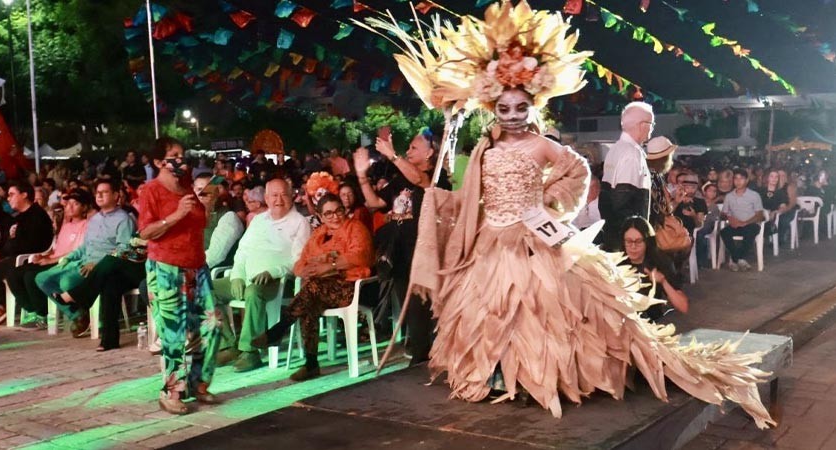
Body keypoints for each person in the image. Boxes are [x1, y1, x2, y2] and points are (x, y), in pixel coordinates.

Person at [366, 0, 773, 428]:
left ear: (532, 106)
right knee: (489, 309)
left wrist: (548, 206)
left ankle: (536, 376)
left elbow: (577, 172)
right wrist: (448, 198)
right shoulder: (484, 147)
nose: (512, 115)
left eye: (520, 108)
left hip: (532, 238)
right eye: (503, 108)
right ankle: (494, 371)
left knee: (540, 308)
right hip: (489, 241)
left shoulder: (541, 145)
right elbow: (471, 195)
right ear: (492, 107)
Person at [352, 128, 451, 365]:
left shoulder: (439, 177)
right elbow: (375, 202)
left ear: (430, 153)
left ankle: (422, 359)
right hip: (399, 255)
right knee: (410, 312)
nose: (408, 151)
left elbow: (423, 181)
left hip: (424, 254)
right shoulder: (400, 178)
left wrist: (393, 156)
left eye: (414, 148)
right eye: (407, 148)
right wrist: (362, 176)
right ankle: (420, 355)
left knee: (421, 309)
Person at [252, 193, 374, 381]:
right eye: (329, 214)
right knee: (308, 302)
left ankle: (280, 329)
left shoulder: (355, 228)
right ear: (320, 216)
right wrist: (304, 271)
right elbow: (300, 262)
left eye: (339, 211)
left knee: (311, 291)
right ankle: (311, 363)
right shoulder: (318, 235)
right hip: (320, 290)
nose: (335, 217)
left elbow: (360, 256)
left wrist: (330, 265)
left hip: (350, 287)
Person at [138, 137, 220, 415]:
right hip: (166, 268)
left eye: (182, 154)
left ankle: (199, 383)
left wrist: (206, 205)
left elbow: (199, 224)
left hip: (197, 267)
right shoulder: (151, 191)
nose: (180, 159)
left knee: (212, 325)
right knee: (173, 333)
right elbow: (146, 232)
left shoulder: (186, 188)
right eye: (174, 155)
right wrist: (175, 215)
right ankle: (171, 390)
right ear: (160, 162)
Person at [212, 178, 310, 372]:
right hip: (247, 278)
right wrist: (237, 275)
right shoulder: (258, 220)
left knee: (253, 291)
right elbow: (242, 251)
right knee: (205, 289)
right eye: (274, 195)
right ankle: (227, 344)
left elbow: (300, 261)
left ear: (292, 196)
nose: (279, 200)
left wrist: (273, 271)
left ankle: (250, 351)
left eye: (283, 194)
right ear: (266, 197)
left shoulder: (300, 223)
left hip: (279, 282)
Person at [41, 179, 135, 337]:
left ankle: (87, 317)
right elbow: (85, 246)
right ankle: (78, 315)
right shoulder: (95, 219)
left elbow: (124, 250)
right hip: (82, 262)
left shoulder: (123, 219)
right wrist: (68, 258)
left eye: (104, 192)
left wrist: (97, 264)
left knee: (66, 282)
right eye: (97, 192)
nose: (99, 195)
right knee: (42, 278)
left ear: (116, 195)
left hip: (104, 267)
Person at [8, 189, 91, 329]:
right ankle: (32, 311)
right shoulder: (66, 225)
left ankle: (43, 315)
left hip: (66, 263)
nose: (69, 207)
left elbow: (75, 252)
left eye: (75, 204)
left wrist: (51, 261)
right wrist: (44, 256)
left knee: (30, 276)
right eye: (68, 203)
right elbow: (57, 248)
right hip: (53, 259)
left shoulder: (86, 225)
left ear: (84, 207)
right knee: (14, 274)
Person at [0, 181, 54, 323]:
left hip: (31, 258)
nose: (8, 198)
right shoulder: (20, 217)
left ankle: (0, 306)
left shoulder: (37, 215)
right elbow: (12, 242)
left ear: (24, 195)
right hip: (15, 255)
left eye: (11, 194)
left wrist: (4, 253)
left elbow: (30, 244)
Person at [599, 102, 654, 251]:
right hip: (630, 239)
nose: (652, 128)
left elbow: (607, 197)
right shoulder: (632, 153)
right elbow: (624, 199)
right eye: (651, 123)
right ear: (642, 125)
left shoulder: (615, 149)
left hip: (615, 233)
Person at [620, 216, 689, 322]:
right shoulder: (617, 262)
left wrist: (663, 281)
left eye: (638, 242)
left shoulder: (660, 261)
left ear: (647, 242)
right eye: (629, 241)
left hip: (652, 322)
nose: (633, 247)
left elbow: (683, 306)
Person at [720, 168, 765, 272]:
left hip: (750, 224)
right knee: (724, 232)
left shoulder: (754, 195)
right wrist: (730, 219)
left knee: (749, 231)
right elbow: (723, 214)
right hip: (735, 224)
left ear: (747, 180)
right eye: (736, 178)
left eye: (741, 179)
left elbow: (760, 215)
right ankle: (739, 259)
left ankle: (735, 260)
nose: (738, 181)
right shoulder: (729, 196)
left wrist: (745, 222)